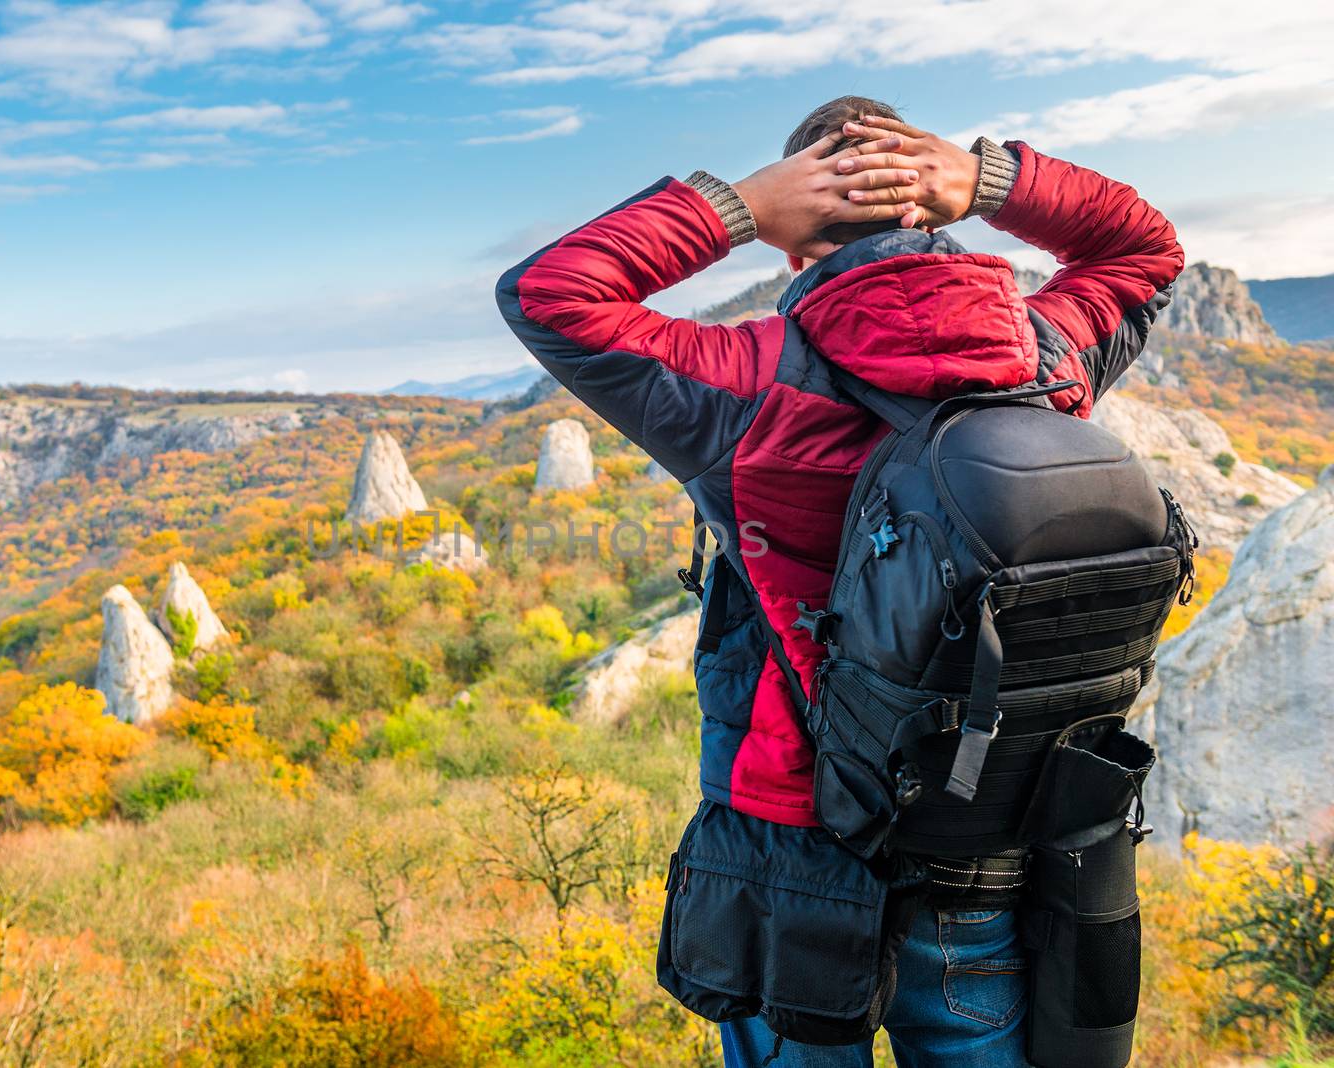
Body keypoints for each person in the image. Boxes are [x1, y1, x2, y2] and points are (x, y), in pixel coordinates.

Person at [495, 96, 1182, 1066]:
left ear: (791, 243)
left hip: (794, 861)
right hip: (983, 839)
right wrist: (989, 178)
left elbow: (550, 293)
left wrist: (736, 203)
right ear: (926, 210)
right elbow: (1144, 251)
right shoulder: (1044, 357)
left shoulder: (749, 383)